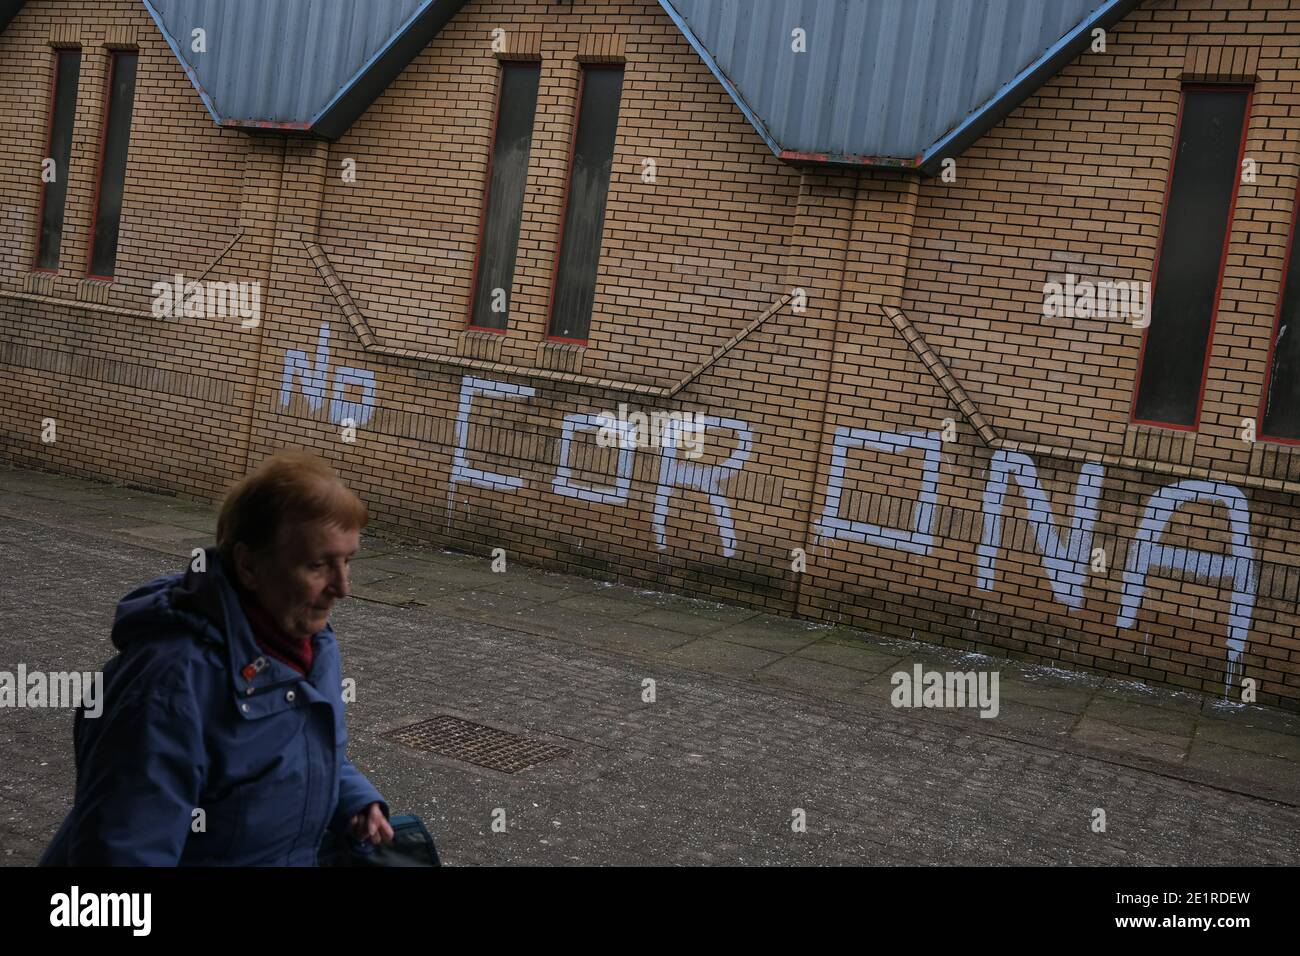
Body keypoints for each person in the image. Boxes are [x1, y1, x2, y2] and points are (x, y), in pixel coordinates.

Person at [40, 451, 394, 865]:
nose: (343, 587)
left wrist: (352, 798)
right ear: (248, 566)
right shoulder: (169, 685)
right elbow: (124, 852)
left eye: (348, 561)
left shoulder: (307, 643)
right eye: (318, 565)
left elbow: (291, 743)